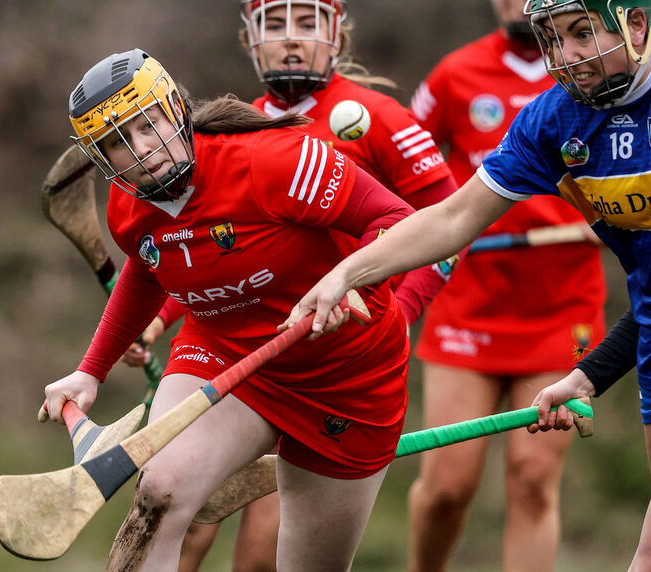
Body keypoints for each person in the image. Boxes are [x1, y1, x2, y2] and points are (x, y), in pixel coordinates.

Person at [282, 1, 651, 570]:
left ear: (638, 24)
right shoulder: (554, 122)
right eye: (555, 38)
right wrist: (348, 272)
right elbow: (452, 219)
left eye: (582, 34)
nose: (567, 56)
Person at [43, 48, 428, 572]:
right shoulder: (126, 203)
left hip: (346, 373)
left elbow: (398, 220)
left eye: (148, 125)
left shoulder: (275, 160)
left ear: (174, 107)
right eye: (117, 143)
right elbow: (147, 266)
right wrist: (91, 370)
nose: (142, 152)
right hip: (225, 357)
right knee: (158, 490)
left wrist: (349, 281)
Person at [120, 2, 459, 570]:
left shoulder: (377, 117)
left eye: (307, 24)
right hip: (248, 357)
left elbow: (446, 225)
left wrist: (401, 307)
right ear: (251, 40)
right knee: (178, 512)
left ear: (337, 35)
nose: (291, 40)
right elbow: (207, 251)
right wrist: (155, 321)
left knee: (265, 551)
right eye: (274, 26)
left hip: (338, 360)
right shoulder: (228, 128)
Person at [406, 1, 606, 570]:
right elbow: (402, 168)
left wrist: (617, 219)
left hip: (561, 312)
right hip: (467, 306)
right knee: (447, 485)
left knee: (533, 478)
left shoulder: (593, 68)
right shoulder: (454, 74)